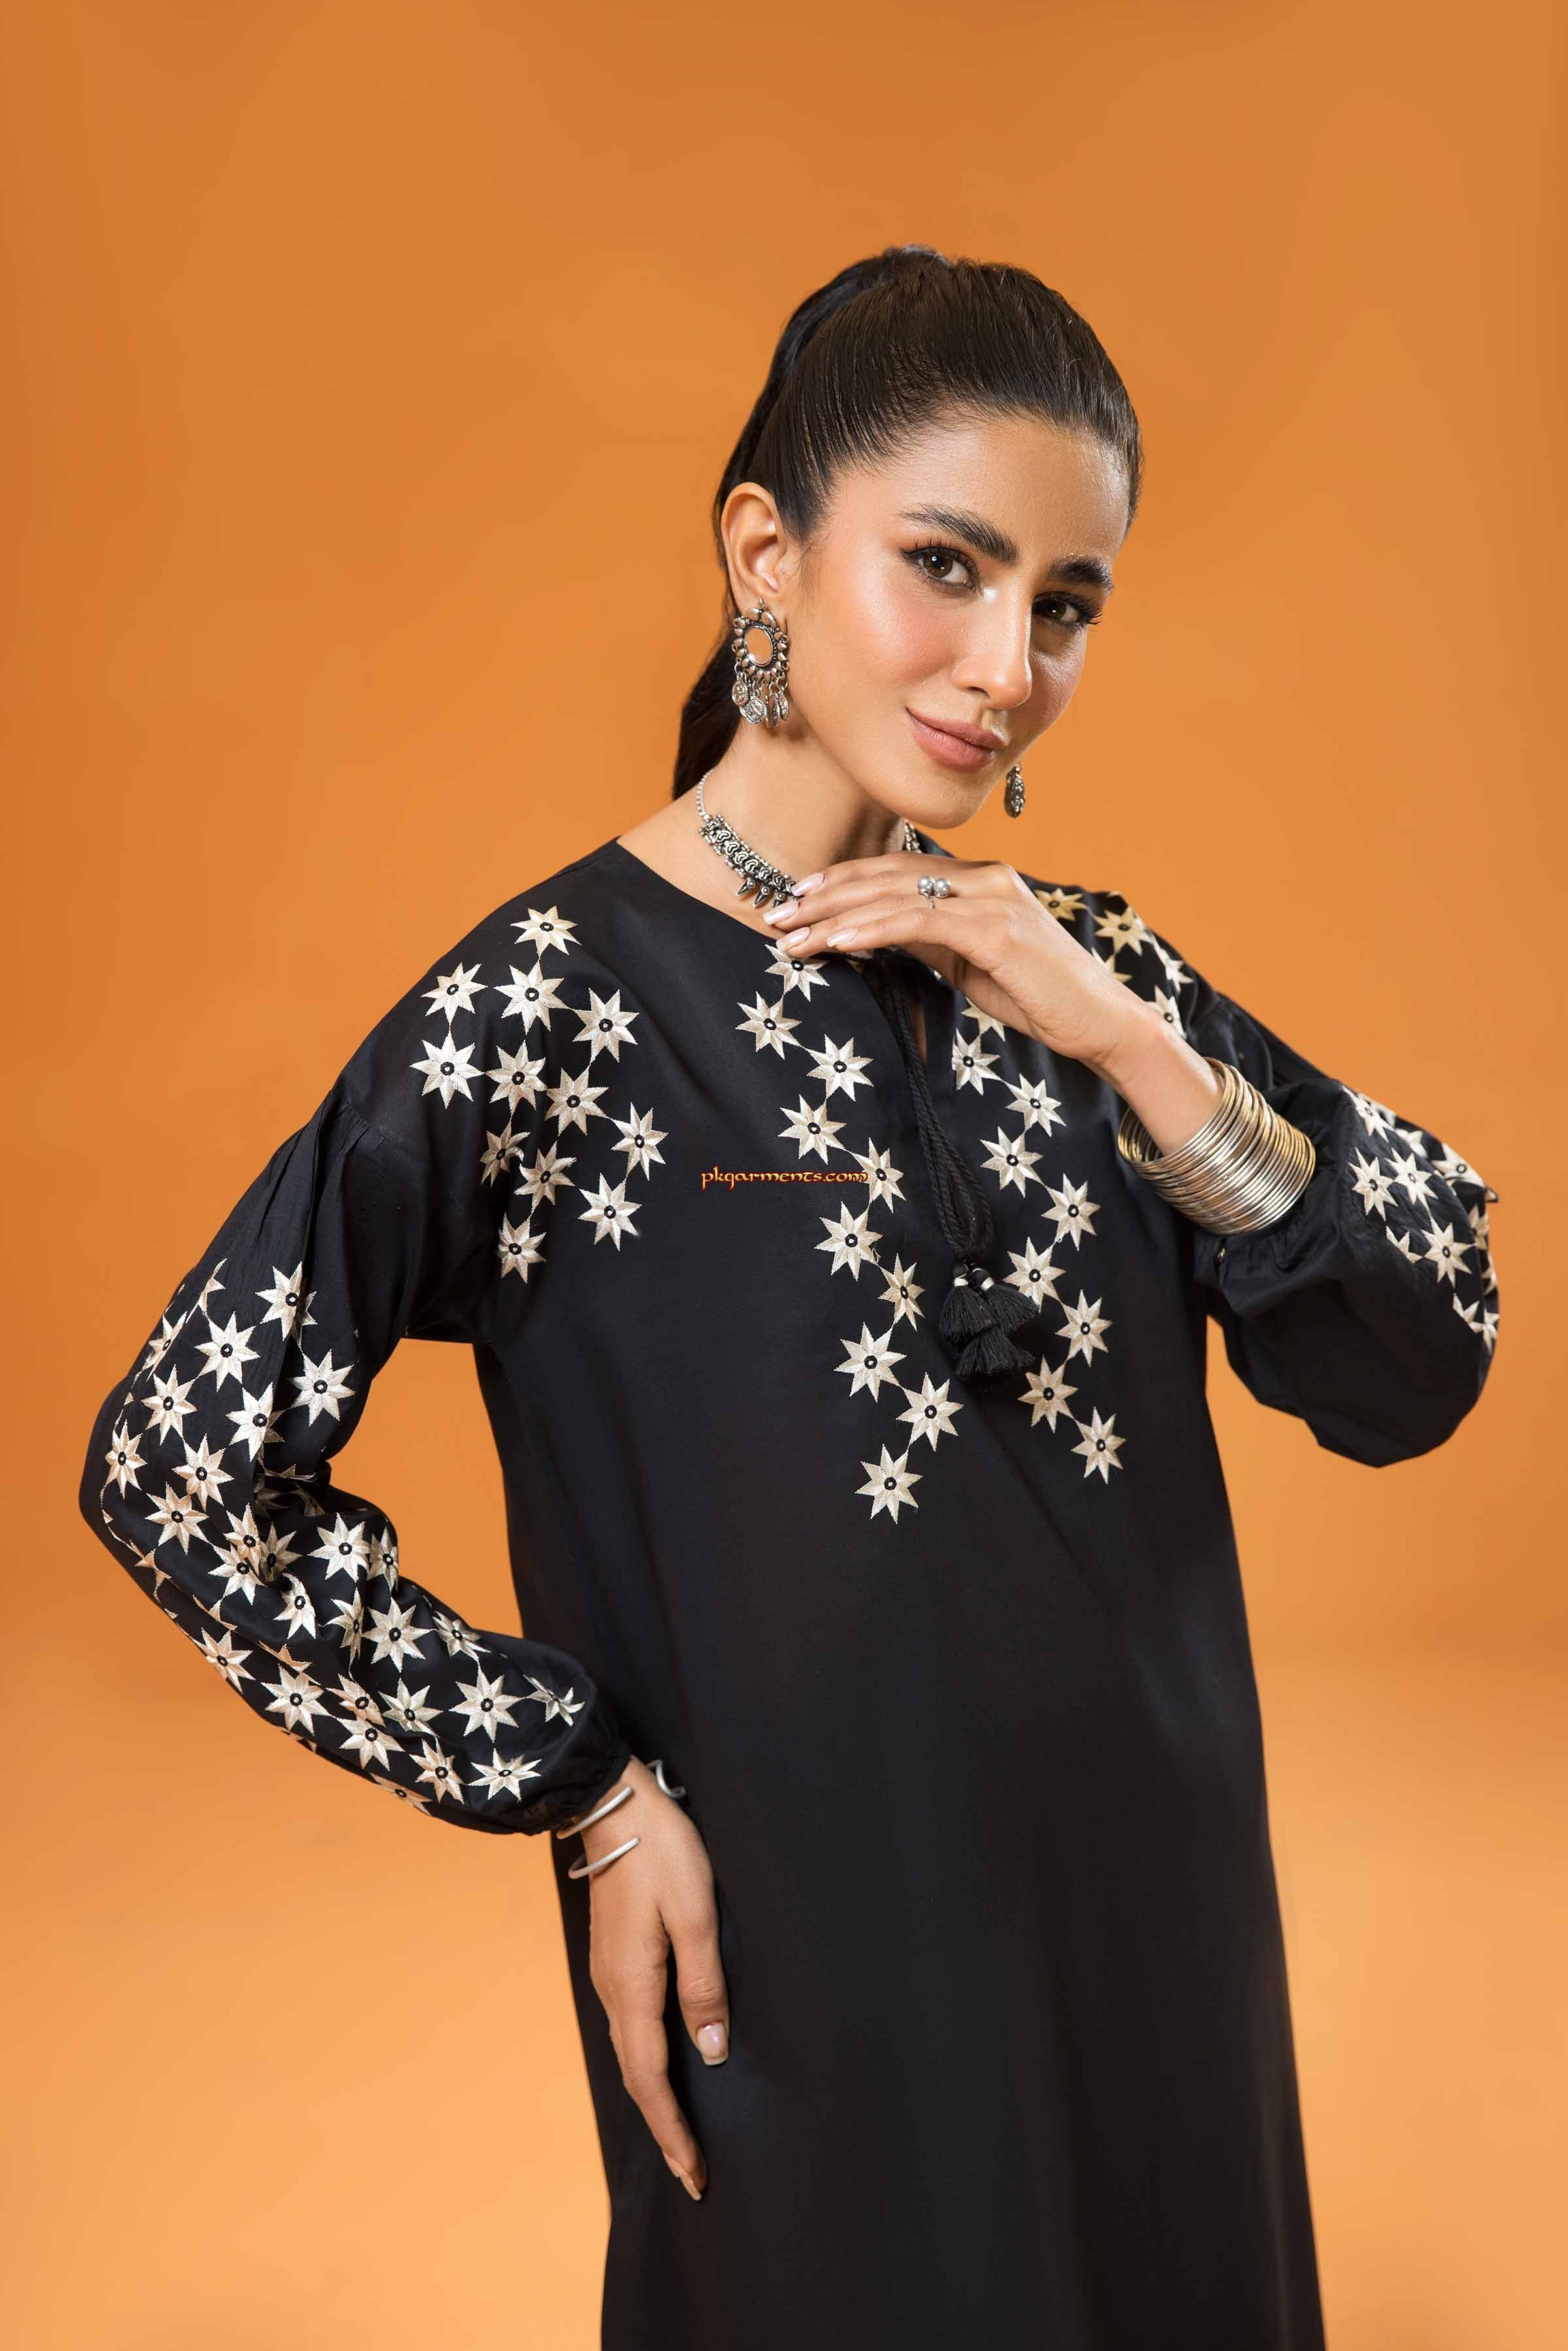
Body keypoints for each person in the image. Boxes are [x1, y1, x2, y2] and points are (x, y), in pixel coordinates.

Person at [78, 246, 1500, 2350]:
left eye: (1069, 604)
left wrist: (1134, 1048)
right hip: (814, 1998)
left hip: (1165, 1966)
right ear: (767, 552)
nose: (1006, 666)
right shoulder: (549, 1012)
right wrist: (578, 1789)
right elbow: (180, 1467)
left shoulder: (1094, 981)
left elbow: (1420, 1357)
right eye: (947, 565)